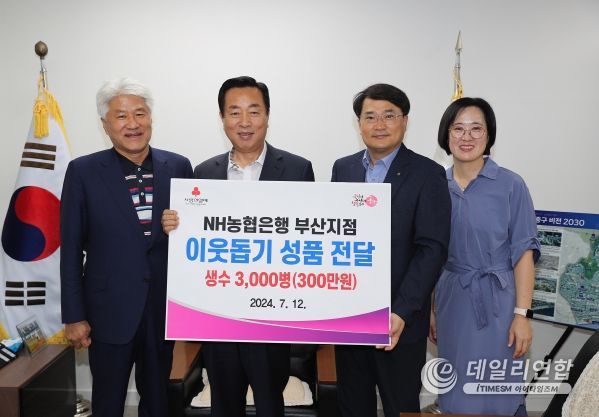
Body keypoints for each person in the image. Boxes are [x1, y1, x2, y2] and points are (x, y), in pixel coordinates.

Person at [162, 76, 314, 417]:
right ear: (222, 118)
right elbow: (195, 242)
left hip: (271, 319)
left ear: (267, 115)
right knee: (225, 405)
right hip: (219, 320)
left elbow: (309, 241)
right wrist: (175, 226)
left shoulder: (297, 169)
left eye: (254, 111)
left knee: (270, 405)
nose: (244, 122)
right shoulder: (203, 172)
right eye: (234, 112)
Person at [60, 78, 193, 417]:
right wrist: (74, 316)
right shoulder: (83, 172)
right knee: (108, 402)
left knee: (158, 402)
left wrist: (182, 228)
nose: (132, 123)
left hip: (162, 311)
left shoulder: (179, 167)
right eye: (121, 116)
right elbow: (71, 249)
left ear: (151, 118)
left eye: (140, 113)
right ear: (104, 124)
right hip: (107, 312)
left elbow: (196, 238)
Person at [331, 83, 451, 417]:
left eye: (389, 115)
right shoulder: (344, 169)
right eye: (370, 117)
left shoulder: (428, 174)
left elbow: (432, 249)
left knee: (401, 407)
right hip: (350, 318)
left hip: (400, 320)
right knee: (352, 406)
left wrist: (400, 311)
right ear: (359, 124)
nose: (379, 125)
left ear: (405, 121)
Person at [429, 97, 540, 415]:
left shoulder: (511, 185)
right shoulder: (435, 185)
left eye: (476, 129)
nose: (467, 137)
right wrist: (432, 308)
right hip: (452, 301)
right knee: (456, 391)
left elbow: (524, 253)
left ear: (489, 135)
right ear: (446, 134)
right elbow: (432, 253)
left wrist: (522, 315)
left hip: (500, 304)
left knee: (496, 391)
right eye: (458, 129)